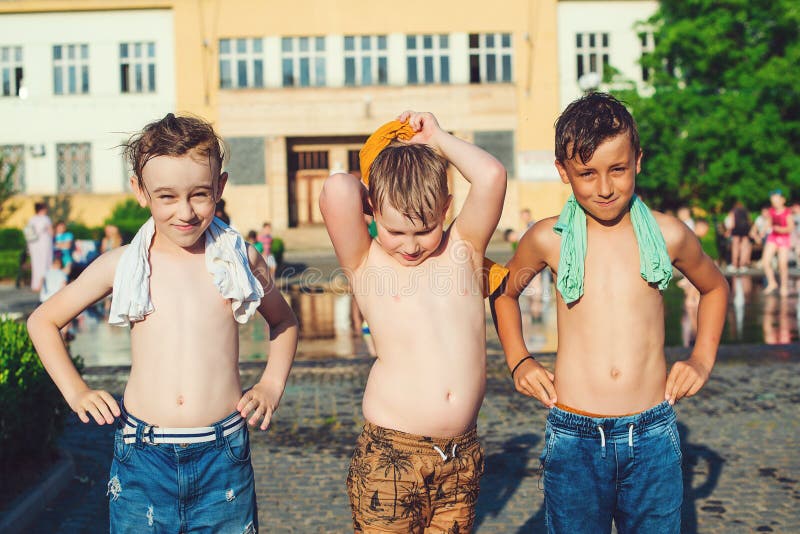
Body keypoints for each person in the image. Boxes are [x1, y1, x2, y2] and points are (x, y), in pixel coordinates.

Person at [27, 113, 299, 533]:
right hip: (142, 457)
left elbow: (283, 321)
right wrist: (76, 391)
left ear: (221, 187)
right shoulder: (122, 265)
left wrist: (270, 385)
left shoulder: (239, 259)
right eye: (167, 197)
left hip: (222, 454)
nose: (185, 212)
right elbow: (43, 321)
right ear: (141, 191)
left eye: (200, 195)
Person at [492, 93, 729, 533]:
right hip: (574, 435)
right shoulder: (548, 239)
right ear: (563, 172)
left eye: (617, 170)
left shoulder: (668, 234)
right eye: (587, 174)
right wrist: (518, 359)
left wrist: (701, 358)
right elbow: (503, 295)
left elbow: (715, 287)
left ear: (638, 161)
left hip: (653, 432)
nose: (604, 188)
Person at [320, 110, 506, 533]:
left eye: (423, 230)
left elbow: (492, 176)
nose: (409, 245)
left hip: (460, 457)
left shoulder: (463, 249)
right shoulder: (366, 262)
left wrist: (438, 138)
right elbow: (336, 189)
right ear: (371, 210)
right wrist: (389, 151)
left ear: (445, 209)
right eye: (395, 230)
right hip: (391, 452)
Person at [762, 189, 794, 296]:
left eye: (776, 200)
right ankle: (772, 282)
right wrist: (762, 231)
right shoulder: (771, 211)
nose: (774, 203)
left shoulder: (787, 212)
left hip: (784, 237)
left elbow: (791, 227)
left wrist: (781, 229)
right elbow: (769, 223)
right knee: (766, 261)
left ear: (782, 200)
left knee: (782, 264)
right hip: (773, 237)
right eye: (773, 201)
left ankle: (784, 286)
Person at [25, 201, 53, 291]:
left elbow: (29, 233)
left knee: (36, 264)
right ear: (43, 209)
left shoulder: (32, 219)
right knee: (45, 263)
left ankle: (35, 285)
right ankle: (44, 284)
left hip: (33, 245)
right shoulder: (46, 218)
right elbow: (51, 231)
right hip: (44, 244)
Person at [724, 201, 752, 272]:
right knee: (744, 247)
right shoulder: (746, 211)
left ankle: (734, 265)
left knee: (735, 247)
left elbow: (732, 223)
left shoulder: (733, 211)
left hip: (736, 230)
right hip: (745, 229)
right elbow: (749, 221)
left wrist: (728, 231)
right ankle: (743, 265)